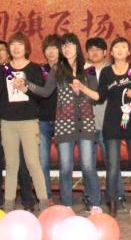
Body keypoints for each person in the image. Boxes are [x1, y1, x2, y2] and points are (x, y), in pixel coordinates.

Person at [22, 33, 102, 214]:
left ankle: (95, 203)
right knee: (65, 167)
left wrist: (81, 88)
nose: (66, 49)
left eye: (70, 45)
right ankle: (67, 204)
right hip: (63, 124)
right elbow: (45, 92)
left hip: (86, 123)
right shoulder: (57, 69)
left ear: (77, 47)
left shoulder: (88, 68)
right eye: (64, 46)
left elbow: (96, 96)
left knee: (88, 166)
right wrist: (27, 85)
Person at [0, 33, 51, 212]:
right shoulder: (4, 69)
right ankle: (9, 205)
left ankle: (44, 203)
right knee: (11, 164)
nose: (16, 48)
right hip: (7, 123)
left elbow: (41, 95)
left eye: (20, 44)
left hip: (29, 122)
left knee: (32, 163)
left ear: (26, 47)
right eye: (12, 45)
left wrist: (25, 88)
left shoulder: (34, 68)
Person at [98, 37, 131, 215]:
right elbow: (100, 96)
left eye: (123, 47)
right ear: (111, 52)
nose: (119, 49)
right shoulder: (106, 72)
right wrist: (82, 87)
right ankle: (112, 202)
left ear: (128, 52)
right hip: (112, 122)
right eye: (116, 47)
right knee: (112, 166)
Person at [86, 37, 125, 208]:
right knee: (88, 165)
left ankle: (118, 196)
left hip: (107, 123)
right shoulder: (83, 71)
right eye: (91, 49)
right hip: (87, 124)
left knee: (112, 162)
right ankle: (92, 198)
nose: (94, 52)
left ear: (105, 52)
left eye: (98, 49)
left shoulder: (112, 70)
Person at [38, 35, 61, 182]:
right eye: (47, 48)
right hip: (43, 120)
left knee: (65, 163)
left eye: (54, 48)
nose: (51, 52)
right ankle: (45, 194)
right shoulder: (39, 70)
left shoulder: (67, 70)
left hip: (63, 120)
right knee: (43, 162)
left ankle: (66, 195)